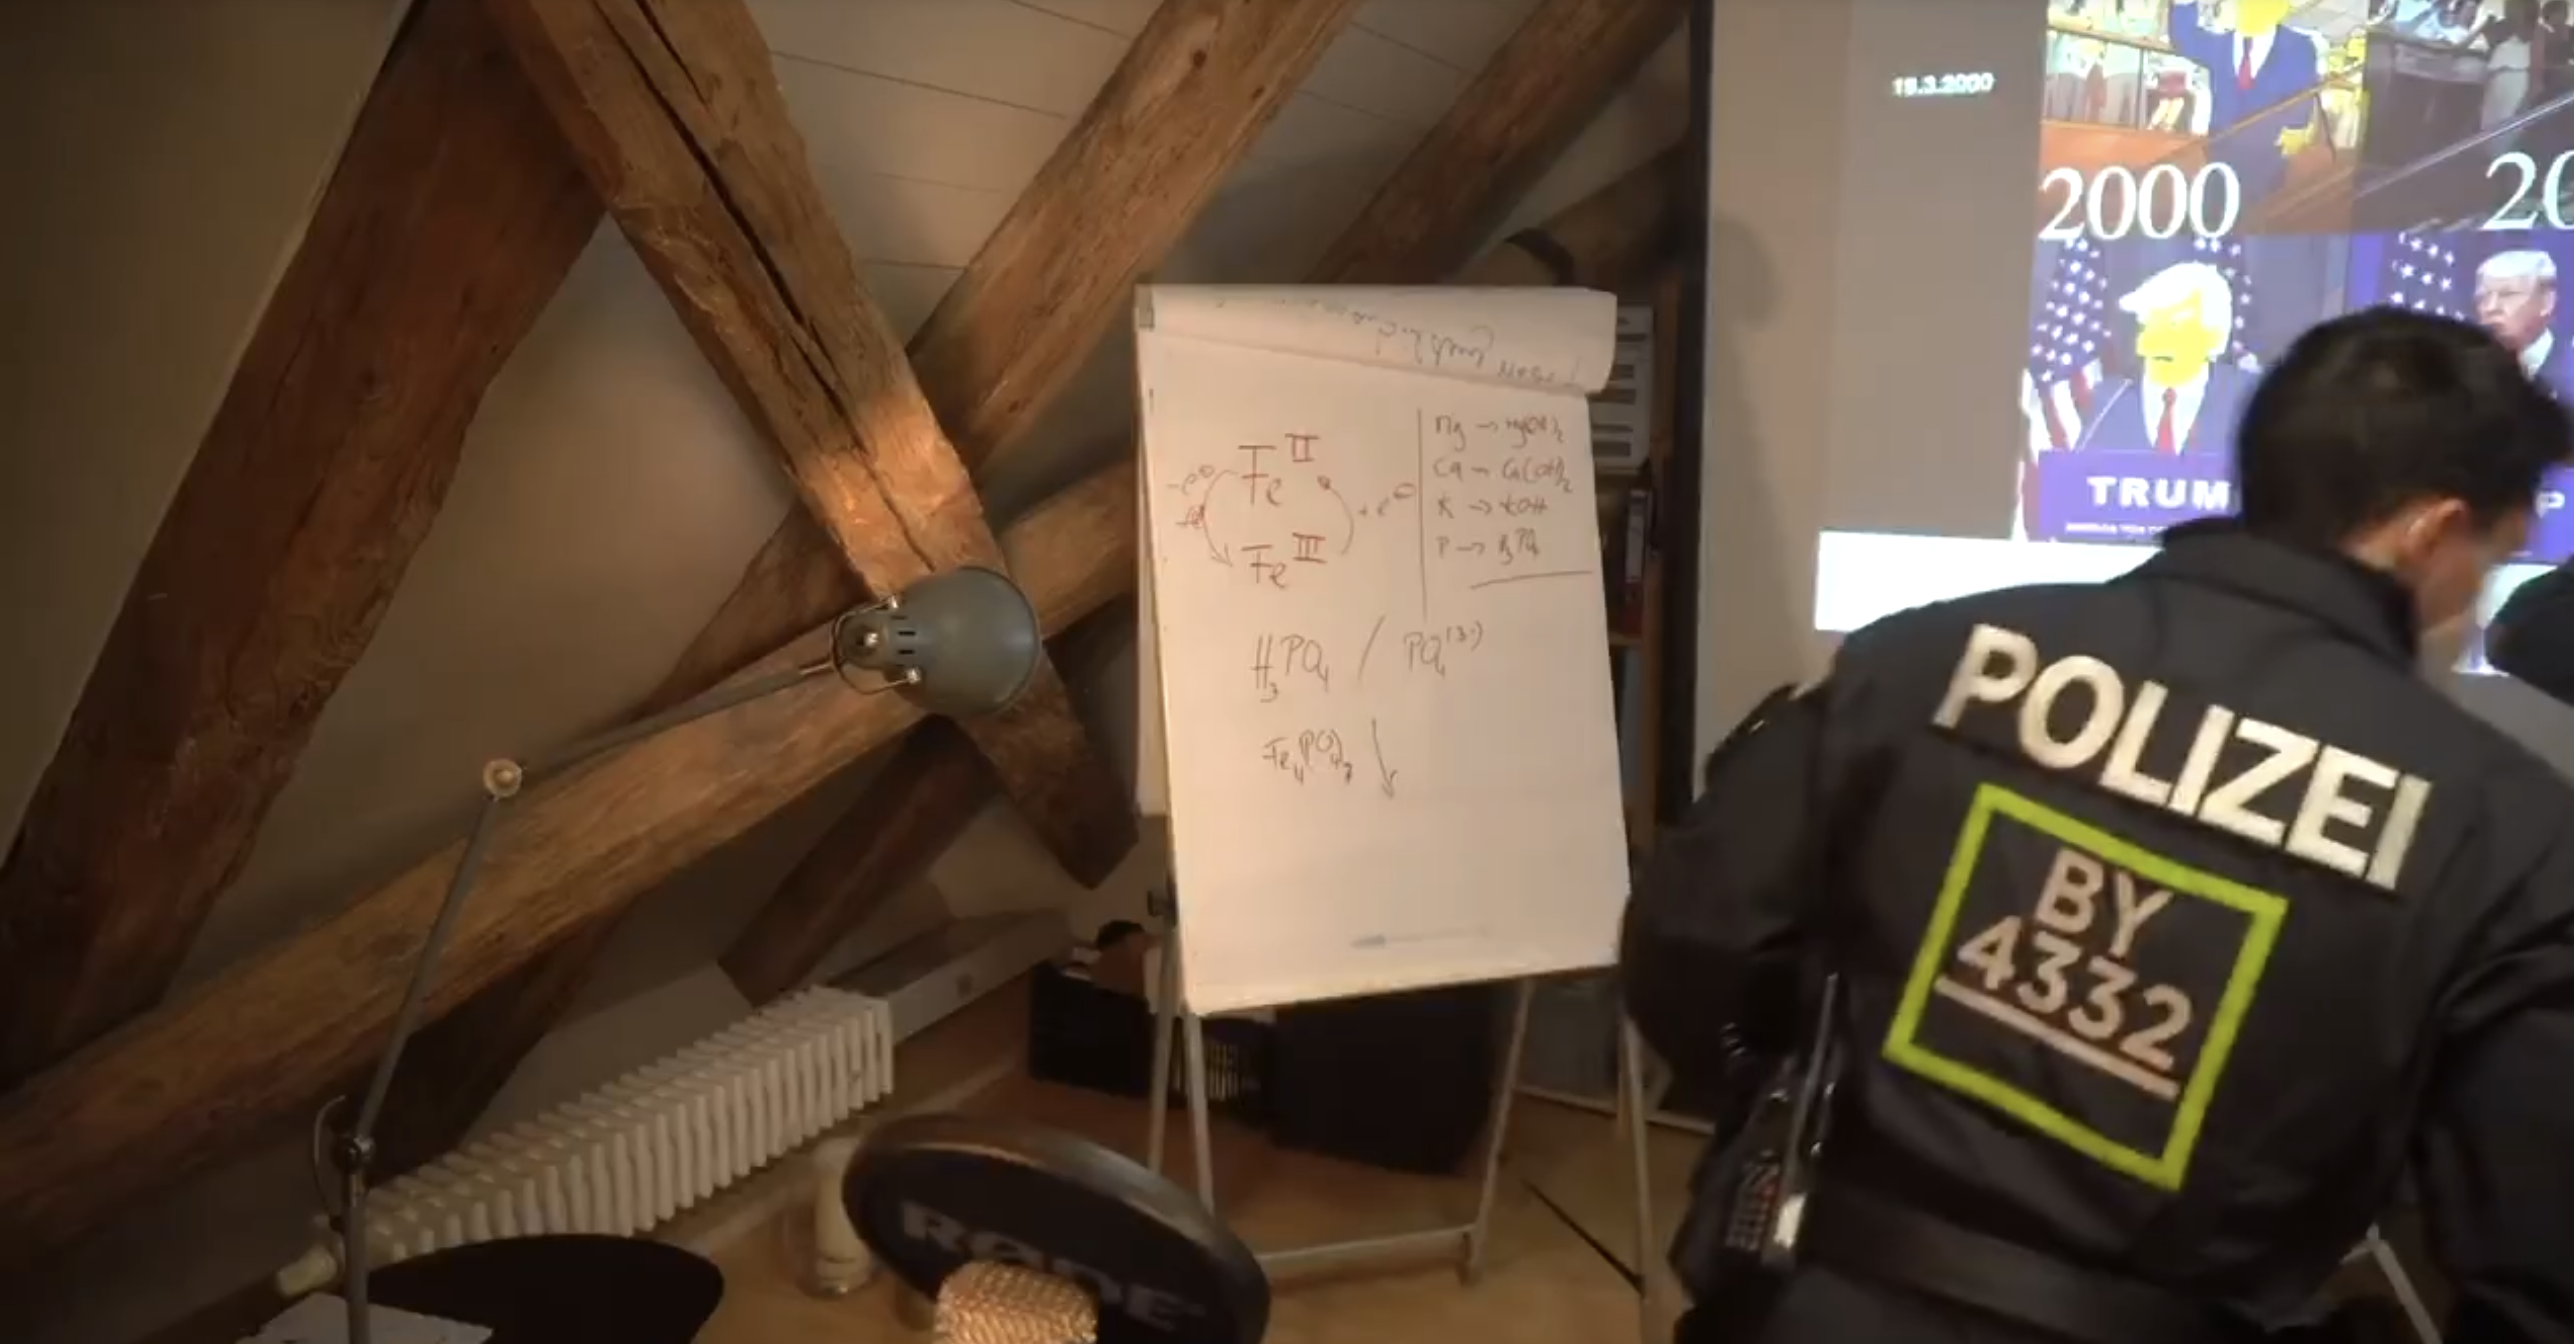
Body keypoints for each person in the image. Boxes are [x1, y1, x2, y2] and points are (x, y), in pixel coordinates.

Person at [1626, 305, 2574, 1344]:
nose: (2477, 598)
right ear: (2431, 532)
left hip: (1811, 1309)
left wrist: (1789, 1109)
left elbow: (1689, 937)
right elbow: (2541, 1265)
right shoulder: (2504, 834)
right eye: (2490, 558)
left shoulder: (1924, 658)